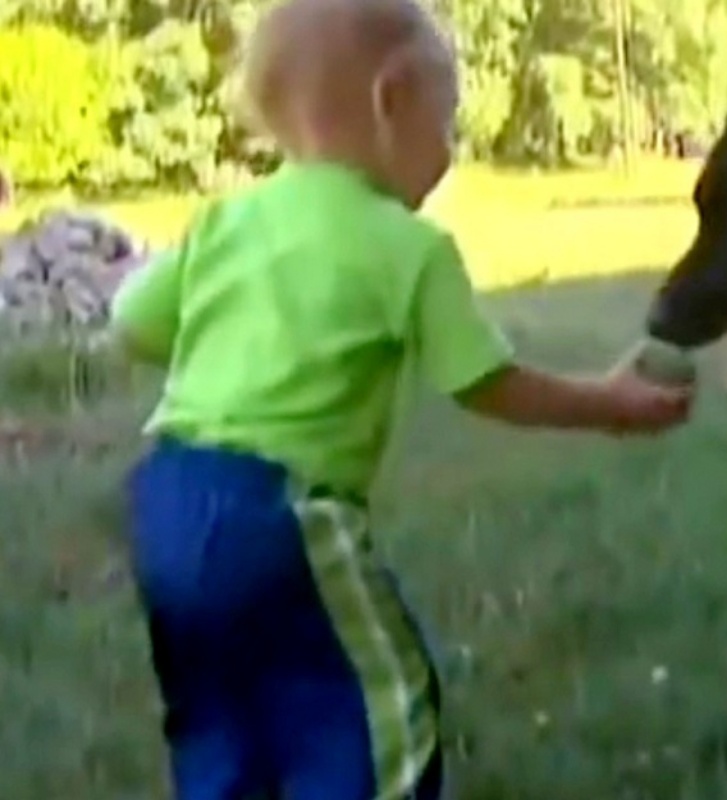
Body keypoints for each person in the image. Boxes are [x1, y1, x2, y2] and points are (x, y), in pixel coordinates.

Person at [108, 1, 693, 798]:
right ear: (394, 100)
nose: (450, 152)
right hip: (280, 513)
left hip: (166, 506)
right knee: (385, 708)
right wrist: (612, 404)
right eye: (447, 124)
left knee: (219, 720)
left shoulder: (226, 222)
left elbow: (131, 322)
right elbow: (487, 382)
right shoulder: (407, 248)